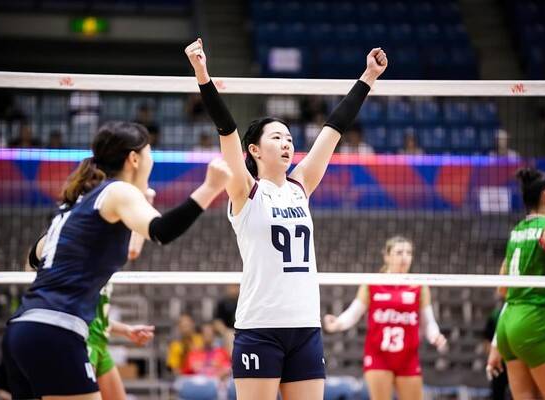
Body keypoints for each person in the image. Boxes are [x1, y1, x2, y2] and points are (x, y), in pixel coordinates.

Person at [185, 37, 387, 400]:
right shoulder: (245, 190)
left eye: (290, 138)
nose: (286, 143)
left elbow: (334, 130)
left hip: (305, 327)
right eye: (277, 137)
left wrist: (368, 77)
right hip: (260, 328)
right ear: (254, 150)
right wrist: (202, 74)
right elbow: (227, 131)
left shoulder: (300, 186)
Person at [2, 121, 231, 399]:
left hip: (22, 329)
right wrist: (210, 188)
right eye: (150, 154)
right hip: (57, 329)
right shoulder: (117, 191)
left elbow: (34, 258)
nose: (151, 162)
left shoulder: (78, 205)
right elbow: (161, 231)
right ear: (134, 159)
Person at [324, 236, 447, 400]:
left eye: (409, 253)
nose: (404, 257)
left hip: (408, 357)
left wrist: (435, 336)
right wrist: (337, 324)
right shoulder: (372, 283)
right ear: (387, 256)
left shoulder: (419, 285)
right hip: (379, 356)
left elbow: (429, 321)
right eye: (399, 252)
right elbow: (353, 314)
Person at [486, 168, 545, 399]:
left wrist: (496, 343)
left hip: (508, 326)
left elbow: (503, 289)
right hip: (535, 321)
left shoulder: (516, 233)